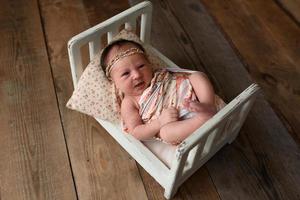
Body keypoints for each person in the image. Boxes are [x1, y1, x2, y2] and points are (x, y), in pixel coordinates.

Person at [101, 39, 216, 145]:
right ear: (114, 81)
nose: (137, 75)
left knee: (197, 76)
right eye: (126, 73)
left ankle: (208, 104)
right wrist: (160, 122)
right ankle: (201, 120)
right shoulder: (129, 102)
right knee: (166, 133)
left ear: (149, 63)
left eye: (141, 66)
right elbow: (136, 132)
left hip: (194, 99)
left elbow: (179, 77)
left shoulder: (159, 75)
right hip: (177, 122)